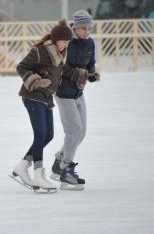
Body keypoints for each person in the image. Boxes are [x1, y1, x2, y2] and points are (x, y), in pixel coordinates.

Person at [12, 20, 72, 192]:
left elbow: (64, 72)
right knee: (40, 134)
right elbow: (21, 67)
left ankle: (23, 166)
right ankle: (38, 174)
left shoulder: (61, 55)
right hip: (32, 96)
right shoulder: (40, 51)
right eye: (63, 41)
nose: (66, 44)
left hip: (46, 98)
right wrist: (34, 80)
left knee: (49, 135)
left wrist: (81, 75)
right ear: (55, 40)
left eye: (68, 42)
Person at [50, 10, 100, 190]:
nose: (87, 31)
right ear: (76, 28)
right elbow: (61, 66)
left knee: (82, 131)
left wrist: (92, 74)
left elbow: (90, 64)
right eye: (84, 28)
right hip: (63, 92)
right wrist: (79, 73)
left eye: (89, 28)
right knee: (75, 130)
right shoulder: (66, 42)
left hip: (78, 91)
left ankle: (59, 161)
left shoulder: (89, 43)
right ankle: (65, 170)